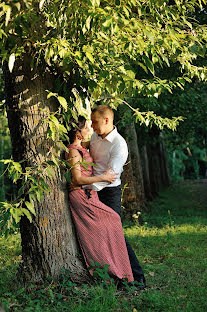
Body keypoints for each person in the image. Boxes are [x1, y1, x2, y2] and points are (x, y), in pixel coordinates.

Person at [65, 116, 134, 283]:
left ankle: (119, 272)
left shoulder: (82, 147)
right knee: (109, 222)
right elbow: (77, 180)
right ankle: (108, 273)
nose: (90, 130)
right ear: (78, 133)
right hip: (81, 195)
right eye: (86, 128)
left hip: (90, 194)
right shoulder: (73, 151)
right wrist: (102, 177)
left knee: (110, 224)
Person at [89, 105, 146, 288]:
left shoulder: (119, 144)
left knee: (116, 234)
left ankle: (137, 277)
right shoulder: (93, 136)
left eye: (95, 122)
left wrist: (85, 185)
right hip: (91, 189)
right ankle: (110, 274)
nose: (92, 125)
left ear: (106, 120)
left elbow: (110, 175)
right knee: (97, 234)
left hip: (109, 191)